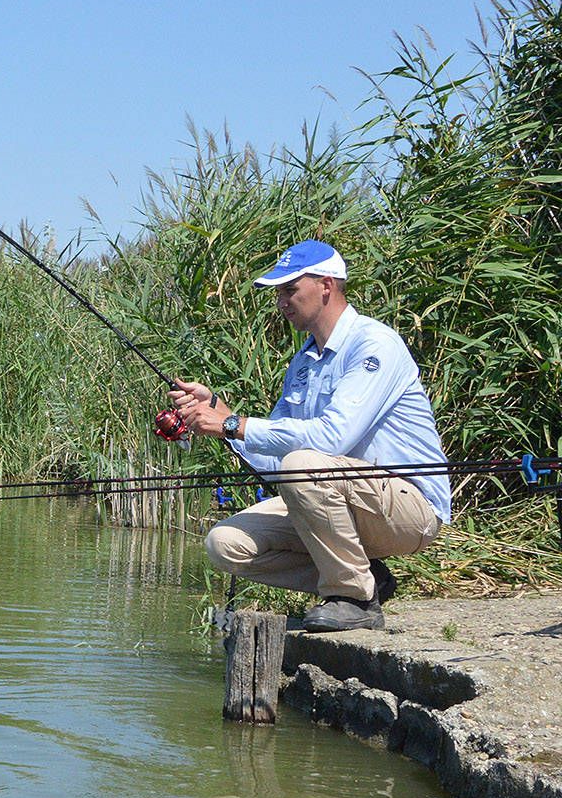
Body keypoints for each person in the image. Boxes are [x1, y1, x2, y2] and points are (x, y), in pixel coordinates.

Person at [170, 240, 450, 632]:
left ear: (326, 285)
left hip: (410, 509)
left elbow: (332, 438)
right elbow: (272, 464)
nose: (281, 302)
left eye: (289, 290)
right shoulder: (303, 361)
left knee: (302, 465)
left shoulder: (374, 345)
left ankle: (352, 598)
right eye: (278, 293)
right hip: (342, 497)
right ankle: (368, 581)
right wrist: (222, 416)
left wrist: (237, 425)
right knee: (226, 542)